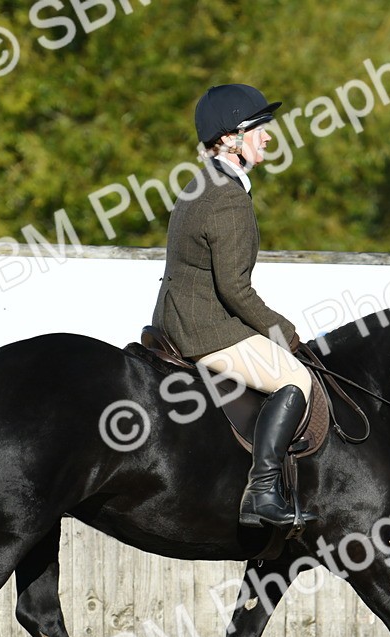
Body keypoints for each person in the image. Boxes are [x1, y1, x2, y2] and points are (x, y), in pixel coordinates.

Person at [152, 83, 315, 529]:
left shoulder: (201, 183)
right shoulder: (227, 197)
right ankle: (262, 492)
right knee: (296, 378)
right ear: (228, 139)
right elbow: (236, 290)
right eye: (257, 128)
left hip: (179, 317)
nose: (267, 137)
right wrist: (286, 333)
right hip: (202, 327)